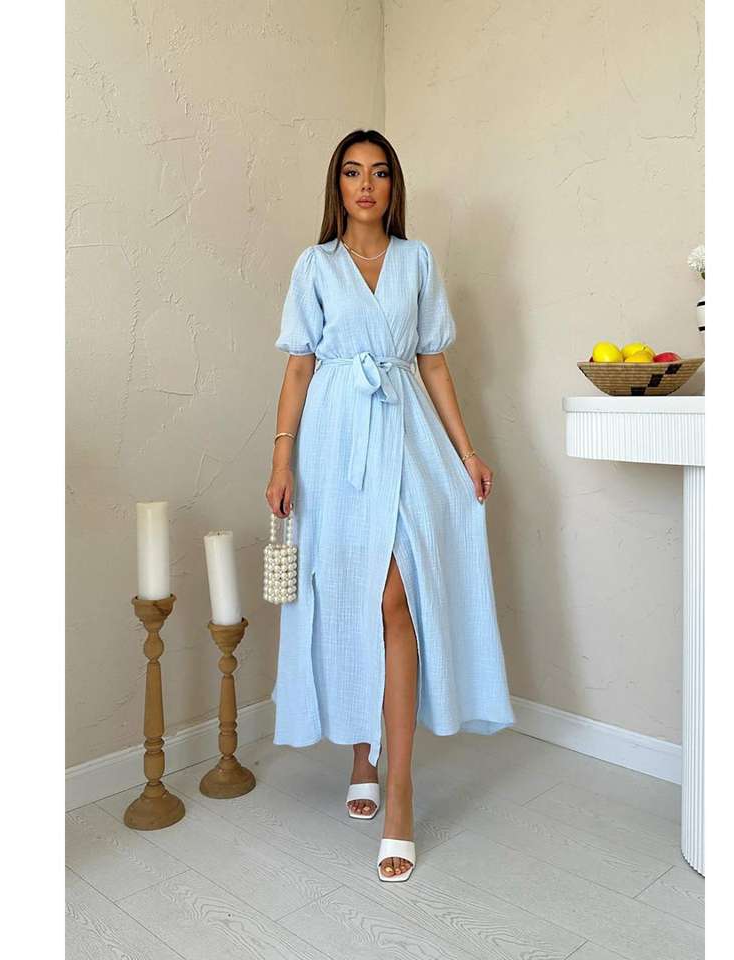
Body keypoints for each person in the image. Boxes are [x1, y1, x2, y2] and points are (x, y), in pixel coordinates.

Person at [265, 129, 516, 881]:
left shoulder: (417, 261)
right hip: (334, 445)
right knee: (350, 597)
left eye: (378, 172)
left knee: (394, 599)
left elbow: (433, 362)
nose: (366, 184)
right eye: (352, 172)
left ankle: (400, 790)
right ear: (337, 186)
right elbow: (299, 369)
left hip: (406, 437)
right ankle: (362, 757)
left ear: (392, 185)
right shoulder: (315, 265)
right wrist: (280, 460)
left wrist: (466, 452)